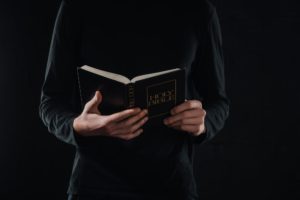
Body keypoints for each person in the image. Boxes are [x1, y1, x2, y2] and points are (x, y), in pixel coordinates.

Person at [39, 0, 230, 199]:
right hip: (94, 184)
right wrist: (78, 126)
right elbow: (50, 102)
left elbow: (218, 101)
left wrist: (203, 123)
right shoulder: (77, 6)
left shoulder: (198, 10)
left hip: (172, 186)